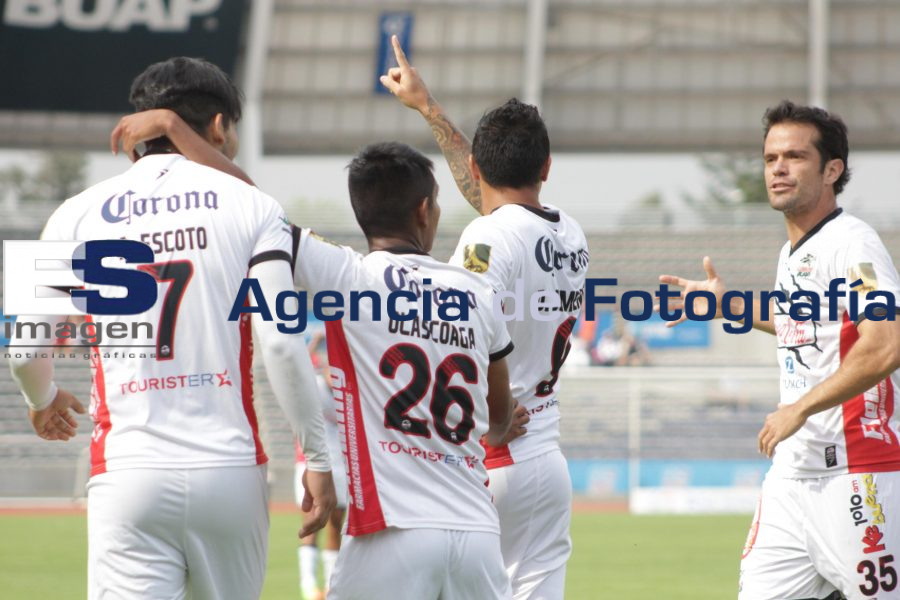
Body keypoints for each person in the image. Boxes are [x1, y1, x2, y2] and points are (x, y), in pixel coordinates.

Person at [111, 118, 519, 598]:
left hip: (391, 532)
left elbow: (252, 206)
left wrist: (174, 128)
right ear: (425, 211)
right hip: (477, 536)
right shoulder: (476, 292)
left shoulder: (349, 278)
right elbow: (499, 414)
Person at [9, 56, 336, 600]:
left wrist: (42, 398)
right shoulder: (251, 203)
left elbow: (23, 349)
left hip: (126, 470)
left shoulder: (74, 212)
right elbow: (281, 342)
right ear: (217, 128)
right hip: (230, 469)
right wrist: (319, 458)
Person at [659, 100, 900, 599]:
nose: (778, 169)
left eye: (794, 157)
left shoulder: (852, 244)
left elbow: (887, 342)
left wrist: (800, 408)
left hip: (857, 476)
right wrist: (729, 306)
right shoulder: (792, 253)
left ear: (832, 169)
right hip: (791, 479)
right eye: (770, 159)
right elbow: (806, 324)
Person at [381, 35, 590, 599]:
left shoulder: (488, 237)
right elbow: (500, 205)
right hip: (547, 456)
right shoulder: (568, 230)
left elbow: (457, 331)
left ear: (474, 165)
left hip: (495, 449)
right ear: (547, 165)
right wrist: (428, 108)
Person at [295, 333, 347, 600]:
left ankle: (328, 586)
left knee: (336, 526)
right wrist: (314, 342)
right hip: (312, 464)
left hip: (341, 465)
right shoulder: (314, 385)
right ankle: (307, 586)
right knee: (311, 523)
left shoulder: (348, 391)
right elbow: (294, 367)